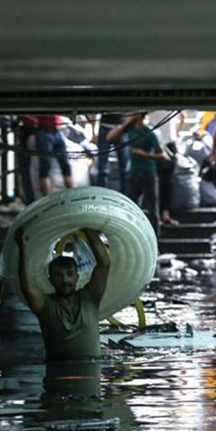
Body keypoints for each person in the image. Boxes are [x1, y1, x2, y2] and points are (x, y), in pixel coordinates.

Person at [13, 227, 111, 362]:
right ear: (50, 280)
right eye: (59, 275)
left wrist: (88, 229)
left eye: (69, 274)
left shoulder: (90, 297)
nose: (65, 280)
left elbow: (104, 264)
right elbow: (27, 288)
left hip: (90, 372)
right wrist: (22, 246)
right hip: (57, 372)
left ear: (77, 277)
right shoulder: (45, 305)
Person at [107, 113, 167, 228]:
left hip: (148, 173)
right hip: (133, 173)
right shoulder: (129, 130)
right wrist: (126, 124)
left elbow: (162, 156)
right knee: (130, 208)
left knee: (152, 210)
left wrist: (145, 155)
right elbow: (110, 138)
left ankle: (155, 239)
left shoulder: (149, 132)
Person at [147, 110, 186, 225]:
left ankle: (162, 215)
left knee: (162, 182)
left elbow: (183, 116)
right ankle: (163, 214)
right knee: (165, 182)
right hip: (163, 142)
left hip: (164, 142)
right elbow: (182, 116)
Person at [35, 114, 74, 196]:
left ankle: (73, 195)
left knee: (65, 164)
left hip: (57, 130)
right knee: (45, 165)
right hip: (44, 130)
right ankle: (46, 199)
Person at [94, 113, 130, 190]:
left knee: (125, 168)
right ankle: (101, 193)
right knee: (102, 168)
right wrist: (94, 131)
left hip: (121, 128)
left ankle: (125, 195)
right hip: (106, 125)